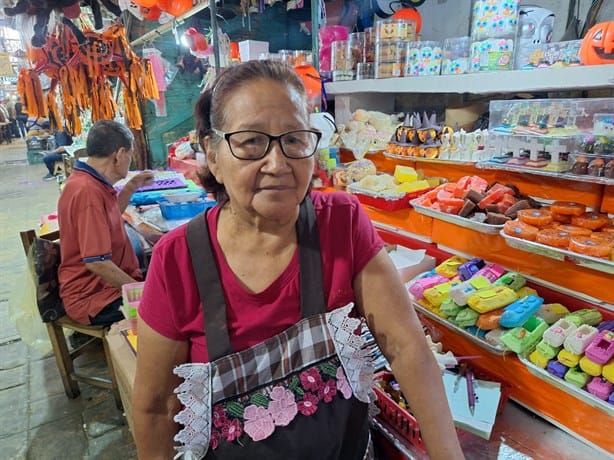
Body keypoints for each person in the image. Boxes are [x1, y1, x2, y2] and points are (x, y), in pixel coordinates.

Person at [133, 60, 464, 460]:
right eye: (251, 141)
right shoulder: (177, 260)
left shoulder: (342, 222)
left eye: (294, 139)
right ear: (214, 156)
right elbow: (156, 410)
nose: (277, 163)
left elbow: (407, 348)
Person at [57, 120, 154, 326]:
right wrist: (141, 293)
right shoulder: (88, 192)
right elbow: (96, 262)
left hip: (107, 285)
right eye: (130, 153)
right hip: (94, 297)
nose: (131, 159)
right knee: (166, 309)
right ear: (119, 154)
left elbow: (108, 219)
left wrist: (130, 187)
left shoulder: (90, 181)